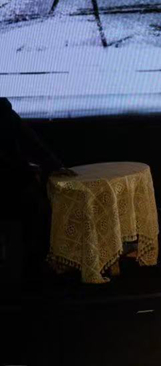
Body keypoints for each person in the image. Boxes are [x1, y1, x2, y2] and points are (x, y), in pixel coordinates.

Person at [0, 97, 75, 285]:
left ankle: (31, 271)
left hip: (13, 184)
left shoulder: (2, 109)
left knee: (37, 210)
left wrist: (53, 166)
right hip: (11, 183)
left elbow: (29, 140)